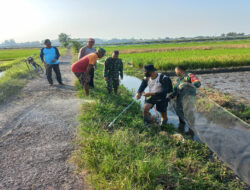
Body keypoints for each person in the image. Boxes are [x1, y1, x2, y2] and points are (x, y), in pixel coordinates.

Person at [168, 66, 201, 133]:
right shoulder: (179, 79)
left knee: (189, 111)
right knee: (179, 110)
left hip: (189, 97)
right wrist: (171, 96)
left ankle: (191, 127)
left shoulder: (189, 75)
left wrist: (188, 84)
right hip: (180, 97)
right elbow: (176, 89)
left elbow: (197, 83)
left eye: (176, 71)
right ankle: (182, 124)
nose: (175, 72)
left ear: (180, 70)